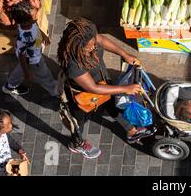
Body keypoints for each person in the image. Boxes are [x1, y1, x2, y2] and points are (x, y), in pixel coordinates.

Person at [57, 17, 155, 159]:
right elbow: (93, 88)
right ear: (78, 46)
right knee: (78, 123)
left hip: (103, 84)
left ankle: (131, 130)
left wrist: (125, 54)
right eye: (89, 47)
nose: (93, 47)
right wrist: (125, 89)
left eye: (93, 43)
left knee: (111, 103)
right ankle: (76, 143)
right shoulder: (73, 65)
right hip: (85, 96)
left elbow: (101, 39)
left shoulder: (91, 39)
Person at [2, 0, 58, 97]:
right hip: (33, 60)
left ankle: (10, 86)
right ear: (25, 22)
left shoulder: (28, 23)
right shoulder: (24, 38)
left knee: (20, 70)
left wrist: (43, 36)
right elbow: (21, 56)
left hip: (32, 54)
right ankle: (56, 90)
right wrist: (26, 73)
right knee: (44, 75)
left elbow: (36, 27)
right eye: (35, 16)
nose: (37, 17)